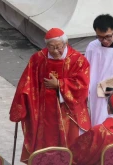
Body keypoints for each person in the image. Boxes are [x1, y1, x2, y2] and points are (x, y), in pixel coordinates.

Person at [9, 28, 91, 163]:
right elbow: (26, 83)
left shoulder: (78, 60)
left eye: (58, 47)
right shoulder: (38, 58)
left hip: (68, 113)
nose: (55, 51)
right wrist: (20, 107)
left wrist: (59, 84)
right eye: (51, 47)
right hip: (43, 111)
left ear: (66, 44)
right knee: (45, 144)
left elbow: (82, 86)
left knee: (70, 146)